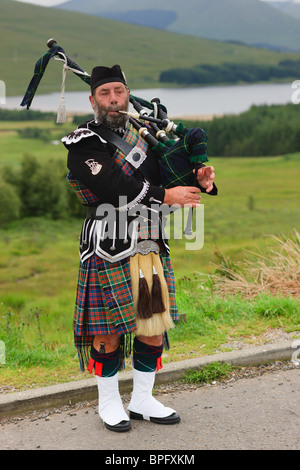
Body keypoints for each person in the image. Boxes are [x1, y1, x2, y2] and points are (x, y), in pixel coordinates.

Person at [62, 64, 216, 433]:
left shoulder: (148, 135)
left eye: (119, 91)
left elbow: (172, 175)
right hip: (107, 244)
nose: (113, 99)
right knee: (108, 330)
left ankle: (143, 398)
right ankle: (108, 401)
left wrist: (200, 180)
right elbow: (113, 186)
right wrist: (166, 195)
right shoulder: (82, 142)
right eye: (105, 93)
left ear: (127, 94)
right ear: (93, 99)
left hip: (149, 239)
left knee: (153, 324)